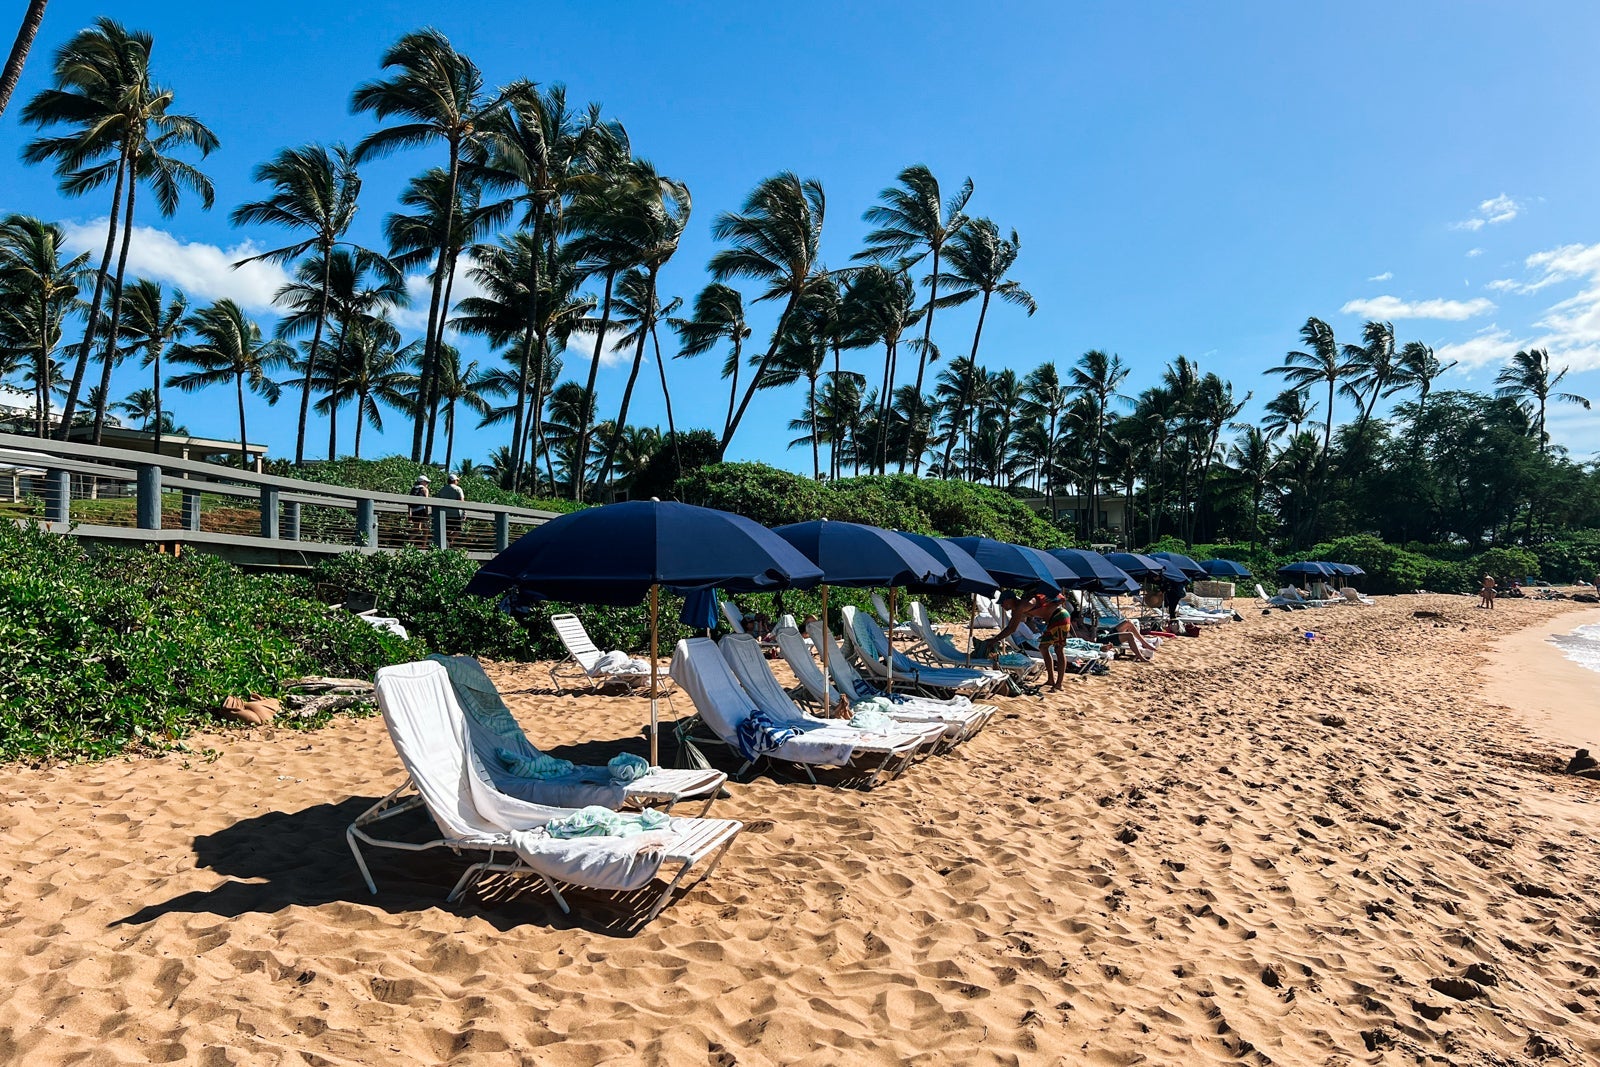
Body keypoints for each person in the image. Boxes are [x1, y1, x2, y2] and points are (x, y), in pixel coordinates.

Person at [436, 472, 465, 544]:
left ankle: (447, 542)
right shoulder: (458, 489)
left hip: (444, 513)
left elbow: (438, 499)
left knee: (446, 529)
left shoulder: (442, 489)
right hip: (456, 514)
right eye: (457, 480)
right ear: (454, 481)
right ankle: (449, 540)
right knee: (459, 529)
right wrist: (464, 513)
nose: (458, 482)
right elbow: (462, 501)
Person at [408, 474, 431, 542]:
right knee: (424, 529)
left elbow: (409, 502)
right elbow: (426, 502)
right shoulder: (424, 489)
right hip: (421, 511)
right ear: (422, 482)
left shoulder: (413, 489)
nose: (427, 484)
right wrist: (427, 513)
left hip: (414, 511)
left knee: (419, 529)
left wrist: (409, 514)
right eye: (426, 482)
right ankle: (409, 543)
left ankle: (408, 543)